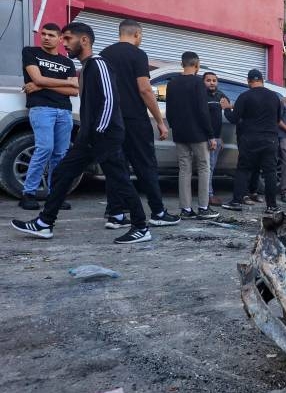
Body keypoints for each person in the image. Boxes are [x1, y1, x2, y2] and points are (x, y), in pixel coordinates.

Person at [11, 23, 150, 244]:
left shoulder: (98, 64)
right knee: (62, 173)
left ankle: (141, 227)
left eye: (67, 39)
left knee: (119, 179)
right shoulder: (85, 68)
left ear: (83, 40)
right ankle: (45, 223)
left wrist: (99, 132)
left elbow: (110, 100)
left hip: (104, 135)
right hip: (90, 136)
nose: (63, 43)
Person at [100, 19, 180, 228]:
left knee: (117, 167)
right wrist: (161, 122)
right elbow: (145, 89)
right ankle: (158, 212)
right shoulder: (137, 54)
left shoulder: (103, 55)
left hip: (110, 119)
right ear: (137, 34)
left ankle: (116, 215)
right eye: (141, 35)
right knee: (146, 165)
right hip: (134, 119)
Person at [19, 22, 77, 210]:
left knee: (60, 154)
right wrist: (61, 83)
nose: (46, 37)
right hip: (41, 108)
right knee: (44, 148)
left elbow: (75, 91)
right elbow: (37, 78)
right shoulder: (31, 52)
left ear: (60, 39)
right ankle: (28, 193)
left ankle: (55, 195)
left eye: (51, 35)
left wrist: (42, 85)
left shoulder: (67, 62)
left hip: (64, 111)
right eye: (43, 34)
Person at [165, 52, 219, 219]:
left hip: (180, 134)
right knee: (203, 168)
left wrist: (175, 127)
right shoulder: (198, 83)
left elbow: (169, 111)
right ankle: (203, 207)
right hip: (198, 134)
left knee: (184, 170)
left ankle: (186, 209)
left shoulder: (171, 83)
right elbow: (203, 111)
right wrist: (211, 135)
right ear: (197, 65)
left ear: (183, 64)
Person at [220, 69, 281, 212]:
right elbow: (278, 120)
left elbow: (234, 118)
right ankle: (272, 206)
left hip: (250, 139)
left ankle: (236, 202)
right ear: (262, 80)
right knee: (270, 172)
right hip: (270, 139)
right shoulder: (274, 97)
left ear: (248, 81)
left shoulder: (244, 96)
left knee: (243, 170)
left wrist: (226, 109)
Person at [203, 72, 230, 206]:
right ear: (203, 82)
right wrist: (211, 137)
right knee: (208, 168)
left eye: (214, 80)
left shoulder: (220, 95)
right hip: (206, 138)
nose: (212, 82)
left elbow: (228, 108)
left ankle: (208, 194)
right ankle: (208, 196)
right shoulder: (201, 96)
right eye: (208, 80)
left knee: (210, 167)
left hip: (216, 138)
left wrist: (219, 138)